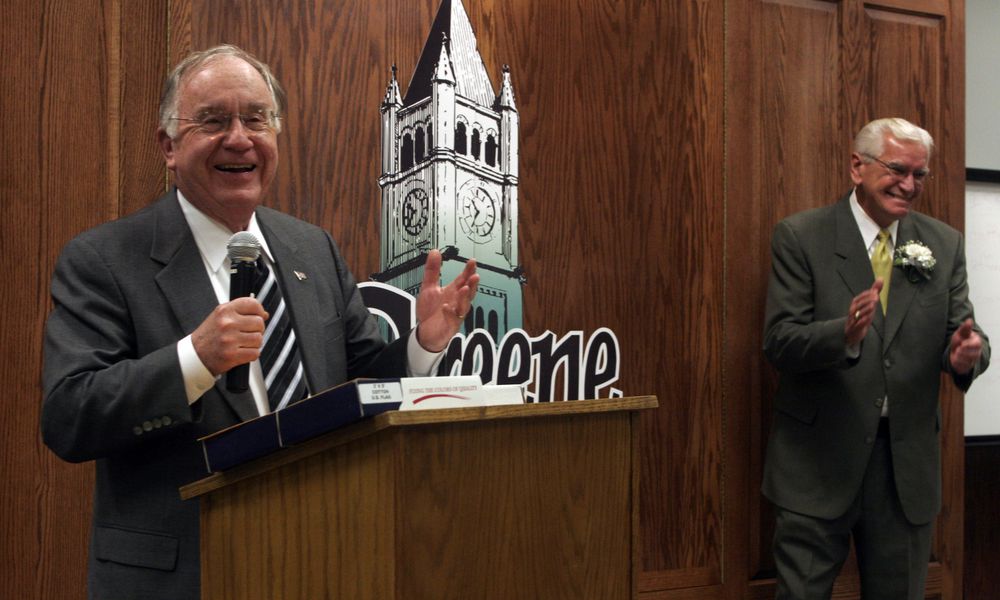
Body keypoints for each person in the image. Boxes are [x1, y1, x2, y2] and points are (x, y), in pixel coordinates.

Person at [41, 45, 478, 600]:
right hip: (183, 578)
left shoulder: (310, 247)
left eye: (256, 119)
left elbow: (360, 383)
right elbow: (69, 416)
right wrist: (194, 360)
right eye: (213, 121)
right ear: (168, 146)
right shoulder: (105, 259)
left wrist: (422, 345)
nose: (240, 138)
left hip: (322, 562)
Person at [761, 117, 990, 599]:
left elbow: (962, 333)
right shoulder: (802, 236)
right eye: (897, 170)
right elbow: (779, 342)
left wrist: (968, 354)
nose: (909, 185)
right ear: (856, 166)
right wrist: (842, 334)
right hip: (817, 464)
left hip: (903, 469)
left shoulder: (941, 245)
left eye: (920, 175)